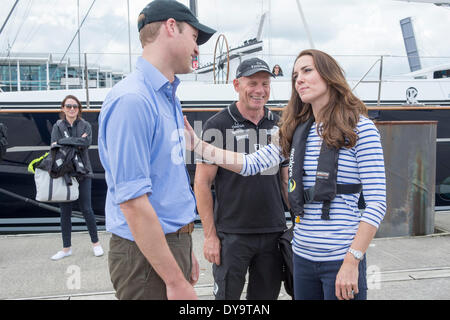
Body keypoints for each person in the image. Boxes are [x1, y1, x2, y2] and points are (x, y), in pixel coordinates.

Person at [185, 49, 386, 300]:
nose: (299, 78)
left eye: (307, 70)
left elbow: (377, 204)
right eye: (295, 75)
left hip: (340, 259)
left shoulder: (361, 129)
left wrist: (353, 260)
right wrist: (198, 145)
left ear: (329, 75)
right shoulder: (294, 131)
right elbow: (250, 164)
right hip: (302, 258)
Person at [98, 0, 215, 300]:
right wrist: (174, 281)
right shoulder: (133, 100)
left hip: (165, 247)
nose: (197, 48)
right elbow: (134, 203)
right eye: (194, 36)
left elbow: (166, 183)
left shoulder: (166, 97)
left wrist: (184, 249)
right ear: (171, 27)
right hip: (144, 257)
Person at [195, 58, 288, 300]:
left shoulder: (280, 124)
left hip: (273, 232)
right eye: (253, 83)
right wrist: (209, 236)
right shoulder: (218, 124)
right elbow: (202, 183)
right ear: (237, 84)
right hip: (232, 234)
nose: (260, 90)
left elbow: (286, 181)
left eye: (265, 84)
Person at [50, 95, 103, 261]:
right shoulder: (57, 125)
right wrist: (76, 141)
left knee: (87, 209)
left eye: (75, 106)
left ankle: (96, 243)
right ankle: (66, 248)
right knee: (65, 212)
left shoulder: (86, 125)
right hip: (64, 172)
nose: (72, 109)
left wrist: (65, 141)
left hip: (83, 172)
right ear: (63, 108)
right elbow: (54, 145)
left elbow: (86, 144)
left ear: (79, 109)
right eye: (68, 106)